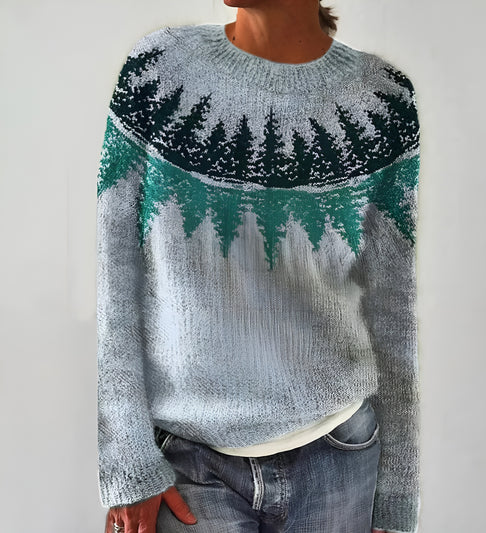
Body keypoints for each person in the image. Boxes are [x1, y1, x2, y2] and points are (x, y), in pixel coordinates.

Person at [95, 1, 422, 532]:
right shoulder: (158, 73)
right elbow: (116, 279)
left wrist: (397, 496)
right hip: (189, 464)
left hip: (340, 458)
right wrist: (128, 464)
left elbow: (393, 310)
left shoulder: (382, 102)